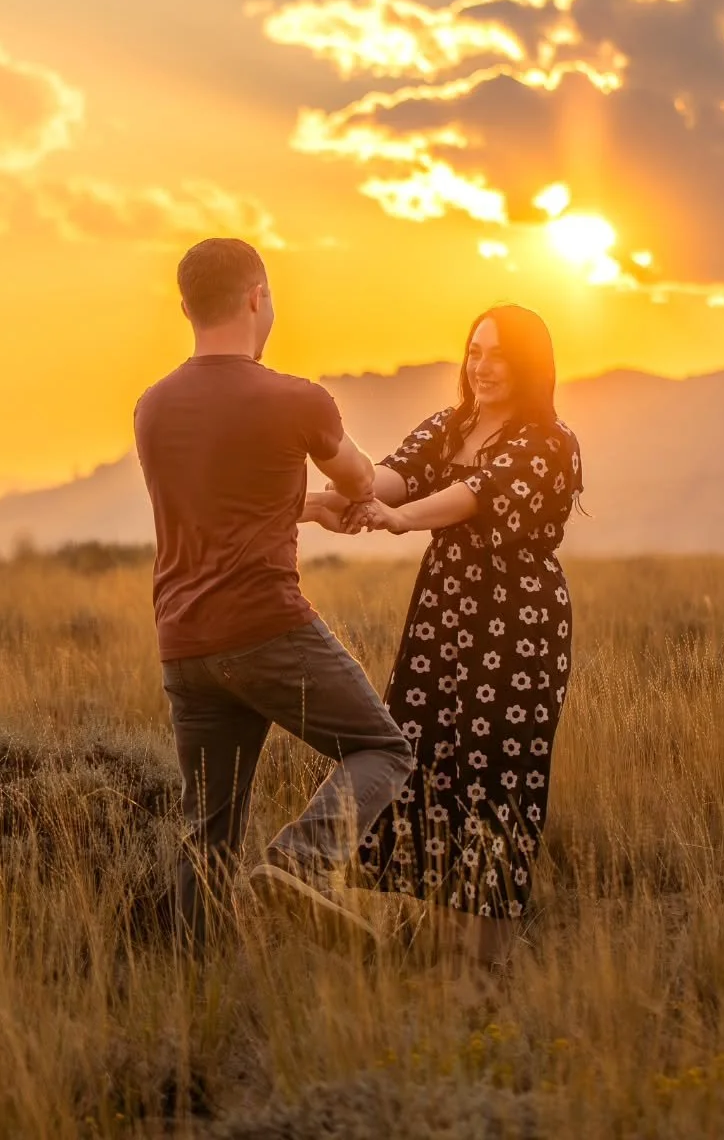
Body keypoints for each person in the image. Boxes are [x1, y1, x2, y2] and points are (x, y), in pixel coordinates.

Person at [133, 237, 414, 951]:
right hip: (266, 628)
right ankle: (301, 862)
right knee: (383, 749)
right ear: (257, 296)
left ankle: (190, 981)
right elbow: (360, 479)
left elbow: (215, 504)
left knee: (210, 833)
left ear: (186, 308)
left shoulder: (153, 406)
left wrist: (304, 507)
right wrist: (347, 495)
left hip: (185, 643)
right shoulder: (297, 399)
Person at [350, 305, 582, 970]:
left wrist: (400, 520)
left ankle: (488, 964)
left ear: (529, 365)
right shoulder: (448, 425)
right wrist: (336, 491)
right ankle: (444, 949)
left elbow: (476, 494)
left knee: (498, 774)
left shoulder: (549, 441)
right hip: (442, 617)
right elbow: (393, 476)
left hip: (517, 627)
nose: (483, 366)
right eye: (476, 351)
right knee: (425, 759)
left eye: (500, 354)